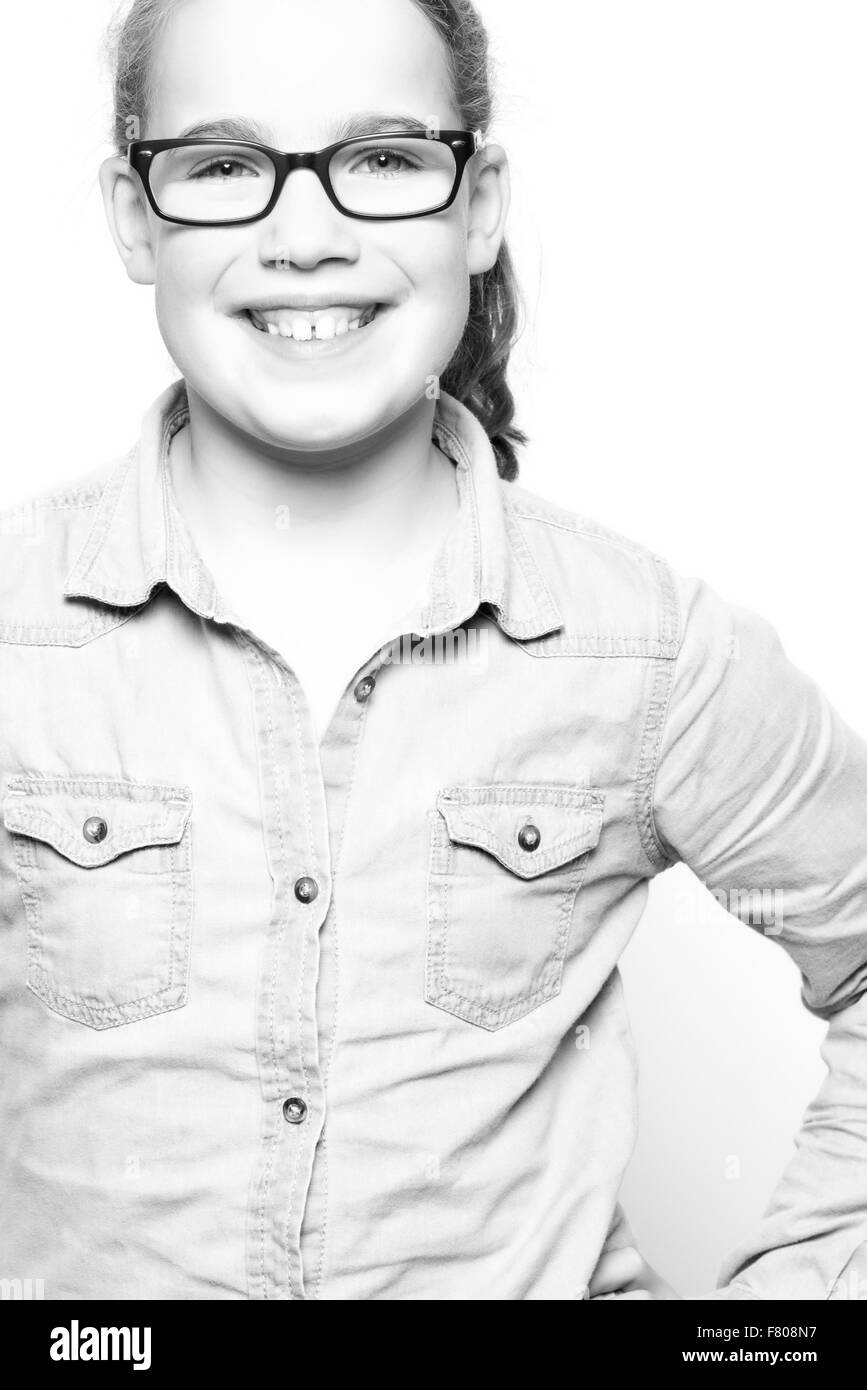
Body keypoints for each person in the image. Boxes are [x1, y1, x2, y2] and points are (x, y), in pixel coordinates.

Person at [0, 0, 864, 1301]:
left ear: (480, 203)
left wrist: (788, 1313)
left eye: (387, 158)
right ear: (138, 212)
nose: (305, 236)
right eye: (226, 165)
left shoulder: (645, 648)